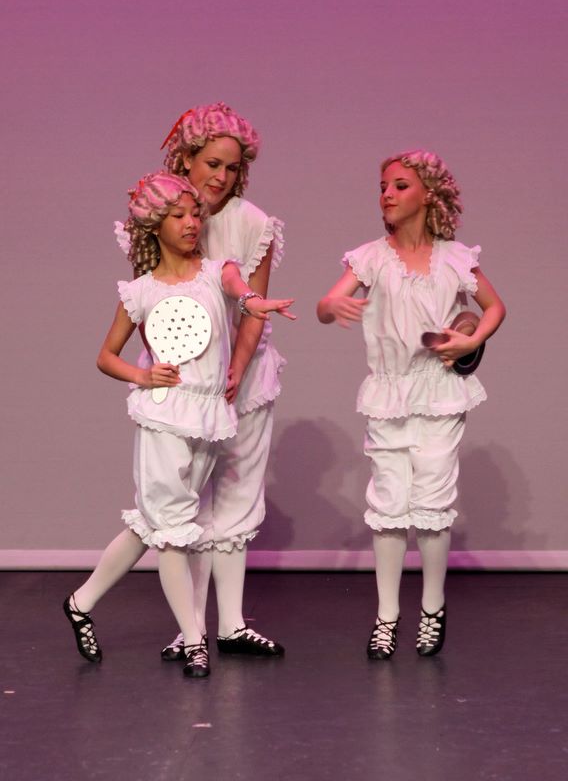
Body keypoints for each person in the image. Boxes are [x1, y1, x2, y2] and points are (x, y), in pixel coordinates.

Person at [64, 172, 294, 679]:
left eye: (195, 214)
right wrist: (143, 375)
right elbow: (106, 356)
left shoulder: (215, 271)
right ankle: (194, 641)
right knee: (170, 532)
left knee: (155, 524)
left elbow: (239, 289)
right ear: (155, 225)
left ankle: (80, 603)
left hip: (209, 416)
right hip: (165, 416)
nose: (192, 223)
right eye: (178, 216)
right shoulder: (141, 291)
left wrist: (253, 302)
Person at [317, 150, 505, 659]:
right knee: (389, 503)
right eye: (383, 186)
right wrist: (331, 305)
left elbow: (494, 307)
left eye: (400, 185)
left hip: (438, 391)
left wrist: (471, 340)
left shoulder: (456, 257)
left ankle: (432, 608)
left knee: (433, 503)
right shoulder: (370, 258)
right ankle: (387, 616)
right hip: (389, 393)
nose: (387, 194)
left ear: (428, 194)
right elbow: (326, 304)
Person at [116, 103, 288, 659]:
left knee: (237, 495)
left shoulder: (253, 222)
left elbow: (252, 303)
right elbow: (155, 302)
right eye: (212, 163)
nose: (221, 176)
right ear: (186, 158)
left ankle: (231, 624)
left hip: (242, 374)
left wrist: (238, 365)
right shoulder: (162, 211)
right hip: (183, 383)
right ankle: (188, 627)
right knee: (181, 502)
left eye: (233, 168)